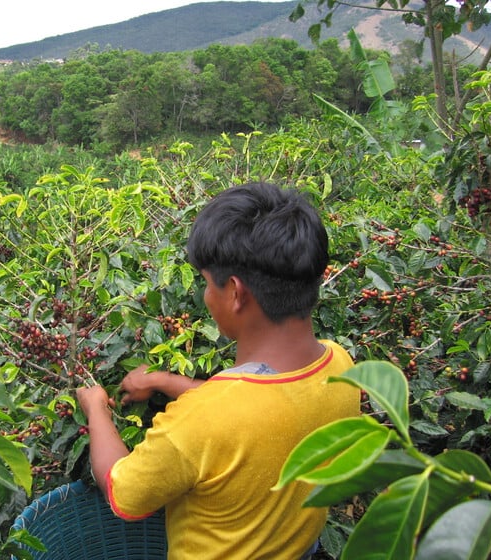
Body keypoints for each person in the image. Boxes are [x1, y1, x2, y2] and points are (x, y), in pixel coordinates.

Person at [76, 182, 360, 559]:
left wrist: (96, 408)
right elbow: (256, 406)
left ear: (236, 293)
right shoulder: (342, 365)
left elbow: (122, 493)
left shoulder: (199, 423)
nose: (206, 296)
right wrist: (162, 380)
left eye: (207, 283)